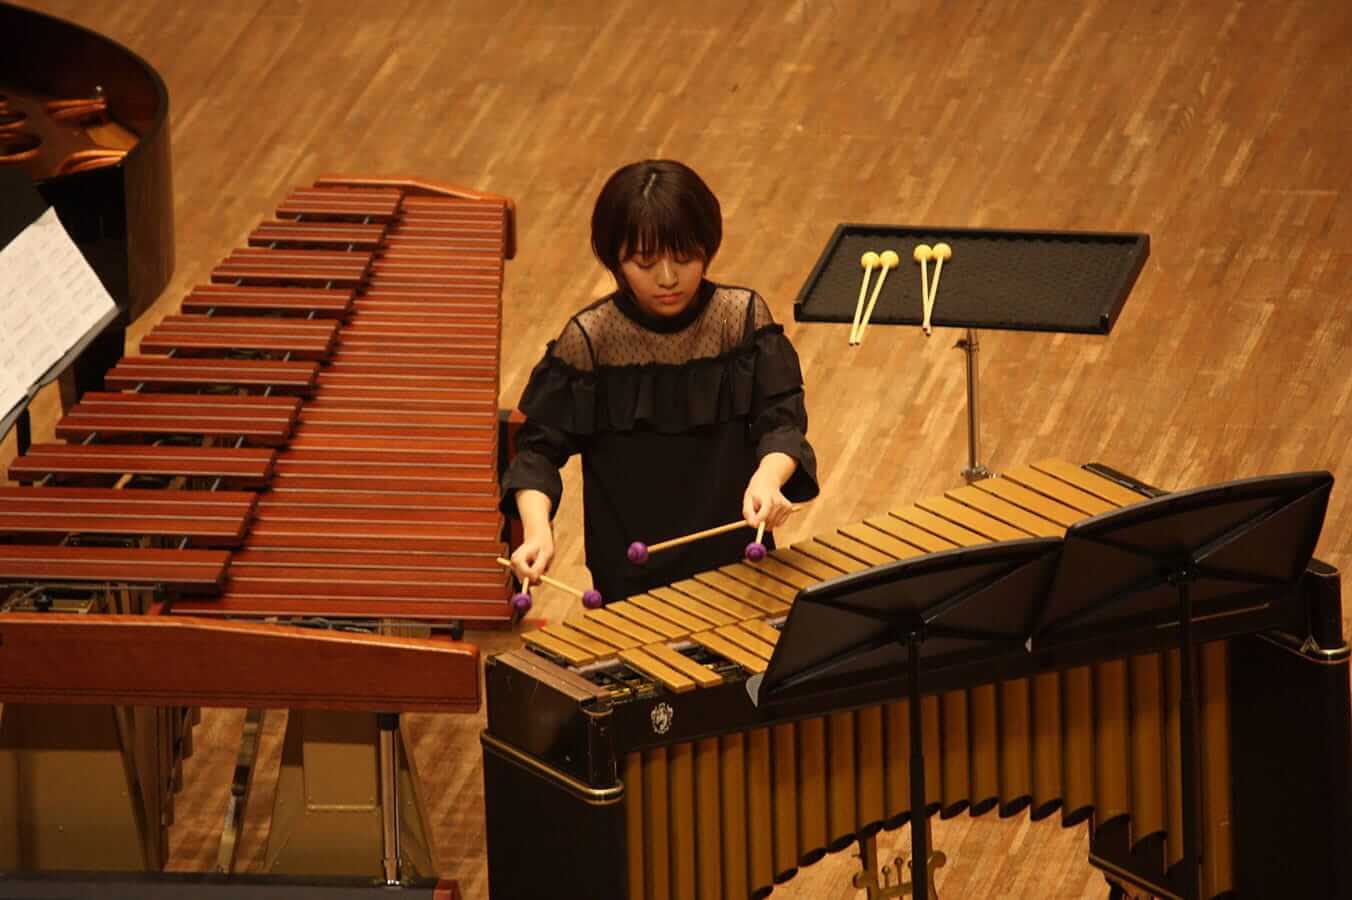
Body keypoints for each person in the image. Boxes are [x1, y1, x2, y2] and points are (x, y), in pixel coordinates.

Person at [502, 159, 818, 604]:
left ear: (707, 246)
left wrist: (769, 478)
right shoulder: (592, 340)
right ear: (616, 259)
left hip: (735, 558)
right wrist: (537, 530)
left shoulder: (739, 319)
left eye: (684, 257)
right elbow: (536, 453)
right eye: (645, 263)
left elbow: (782, 422)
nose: (668, 278)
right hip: (632, 570)